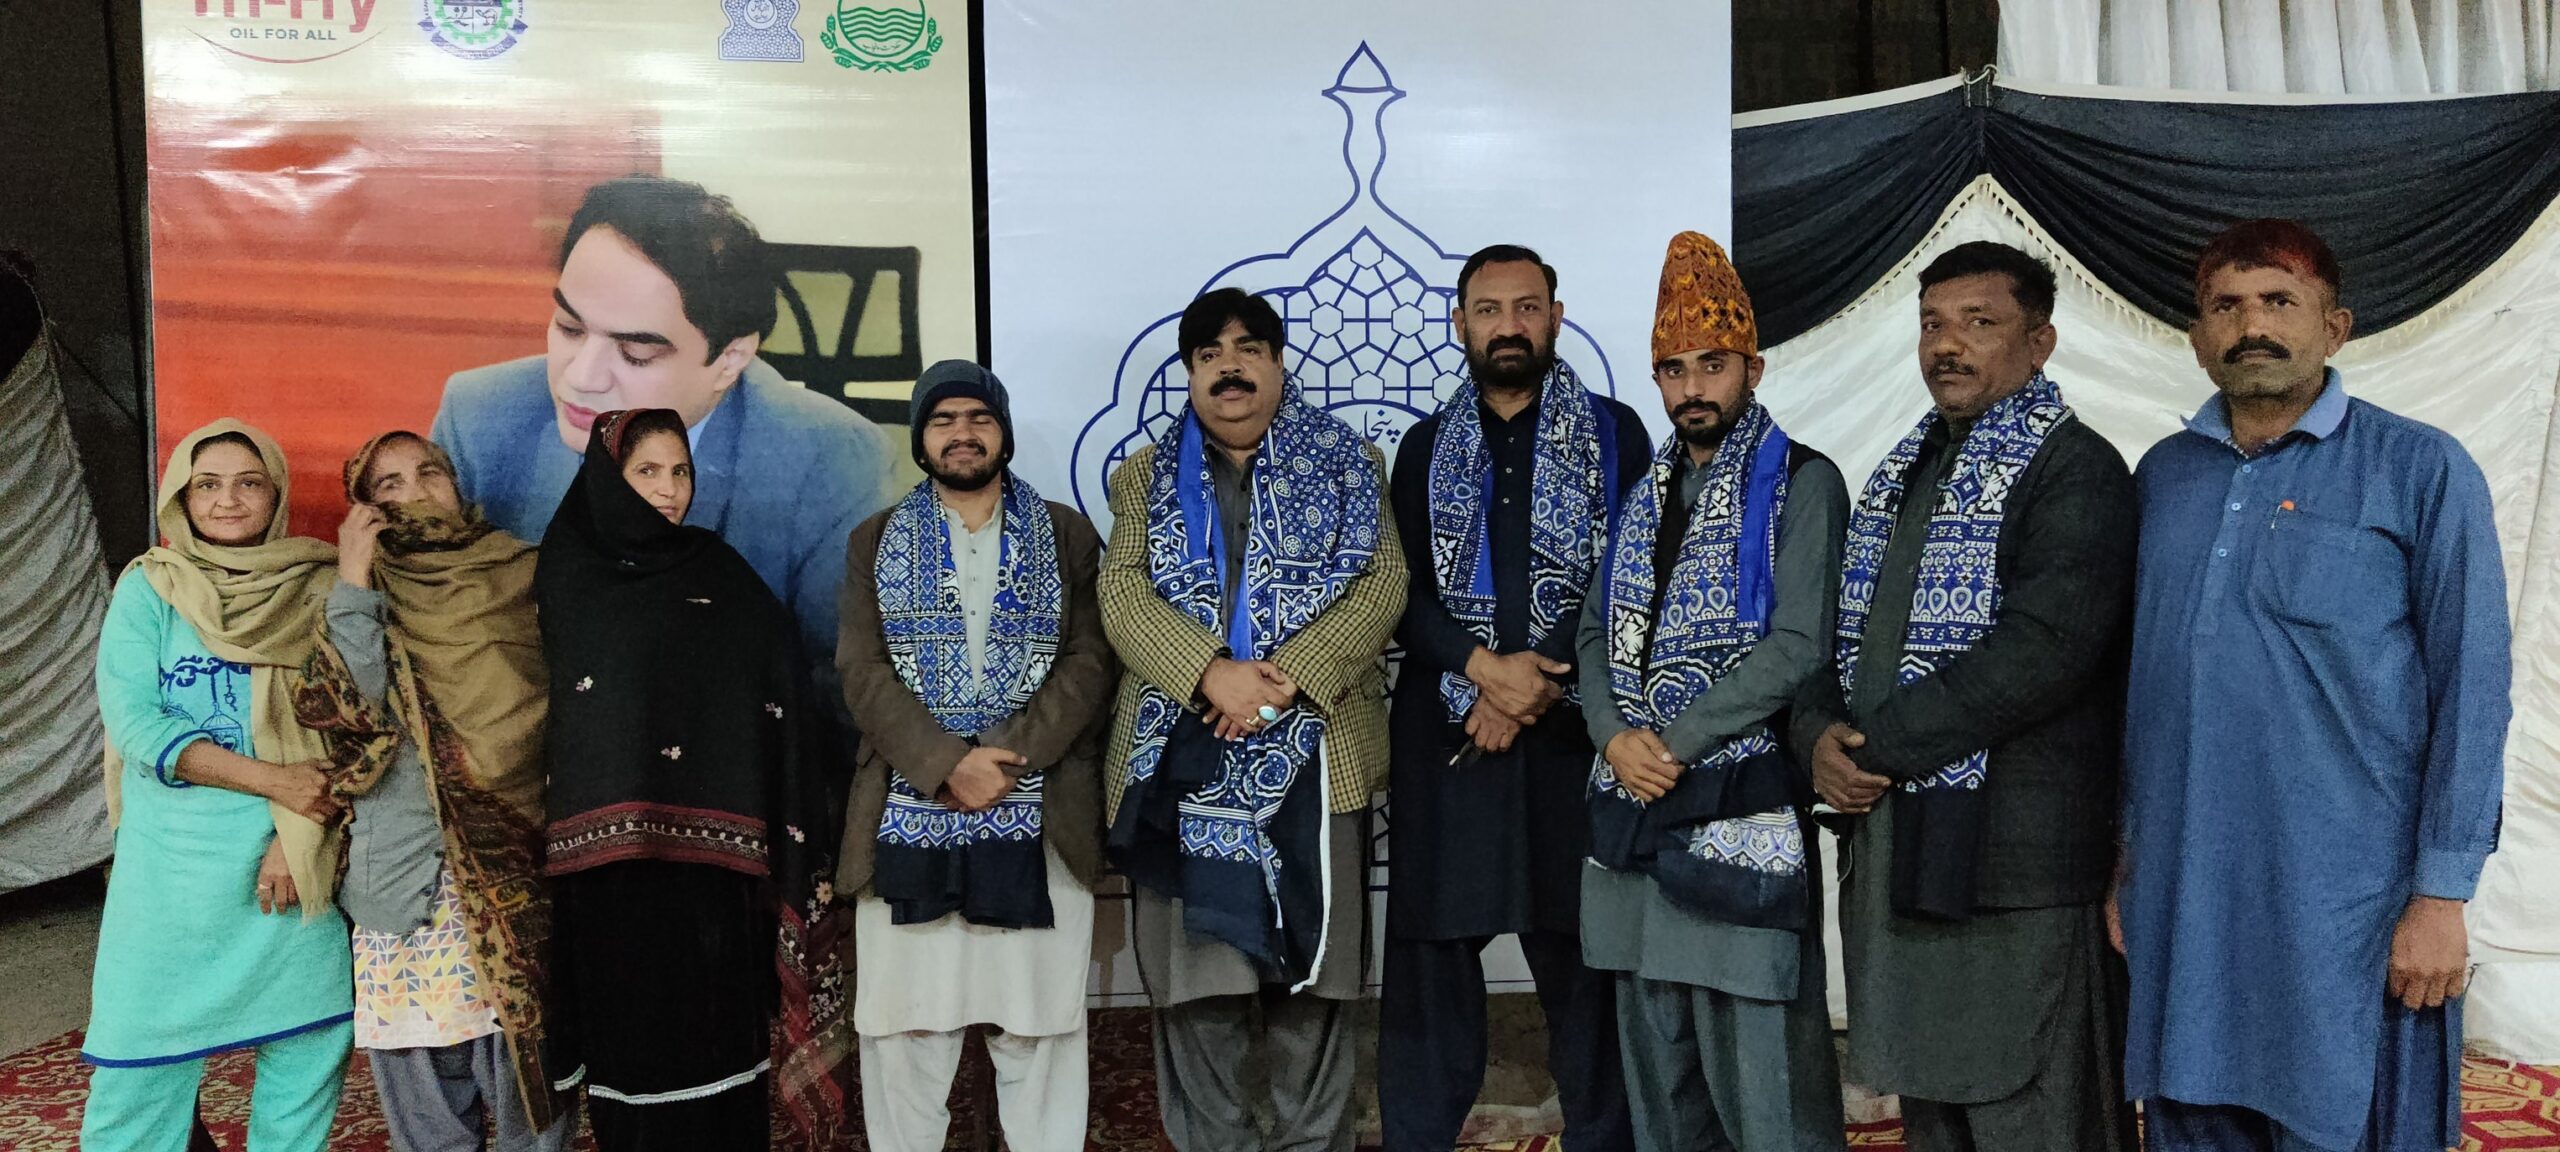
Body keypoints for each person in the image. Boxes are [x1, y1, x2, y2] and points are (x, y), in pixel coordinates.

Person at [2119, 219, 2509, 1152]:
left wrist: (2441, 897)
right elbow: (2137, 688)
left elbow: (2474, 688)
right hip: (2187, 891)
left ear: (2335, 328)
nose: (2252, 326)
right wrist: (2126, 858)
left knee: (2354, 1119)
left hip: (2354, 906)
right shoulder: (2162, 478)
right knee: (2191, 1110)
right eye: (2226, 306)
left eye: (2279, 302)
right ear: (2197, 338)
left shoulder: (2419, 468)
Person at [1790, 241, 2138, 1152]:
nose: (1948, 345)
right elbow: (1839, 639)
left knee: (2033, 1116)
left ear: (2040, 342)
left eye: (1979, 323)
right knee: (1935, 1110)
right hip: (1905, 851)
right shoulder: (1904, 470)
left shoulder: (2075, 470)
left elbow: (2043, 652)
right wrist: (1817, 734)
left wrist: (1870, 751)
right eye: (1933, 325)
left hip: (2013, 869)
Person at [431, 175, 899, 756]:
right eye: (569, 328)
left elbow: (853, 706)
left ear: (729, 359)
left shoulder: (829, 459)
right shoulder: (480, 416)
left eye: (636, 354)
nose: (581, 376)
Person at [1100, 288, 1406, 1152]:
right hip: (1183, 758)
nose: (1228, 368)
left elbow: (1383, 583)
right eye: (1208, 355)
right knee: (1200, 995)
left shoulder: (1351, 463)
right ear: (1190, 373)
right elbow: (1121, 593)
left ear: (1277, 363)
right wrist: (1210, 674)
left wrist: (1287, 682)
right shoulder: (1145, 476)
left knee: (1315, 994)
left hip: (1319, 756)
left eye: (1247, 349)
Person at [1578, 232, 1850, 1152]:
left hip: (1740, 823)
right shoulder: (1642, 494)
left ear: (1753, 369)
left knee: (1770, 1102)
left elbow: (1800, 644)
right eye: (1674, 369)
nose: (1692, 387)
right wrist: (1613, 735)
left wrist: (1671, 743)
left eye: (1712, 365)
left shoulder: (1803, 482)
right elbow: (1593, 631)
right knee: (1665, 1100)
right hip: (1635, 827)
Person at [1378, 243, 1645, 1152]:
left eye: (1527, 308)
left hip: (1572, 738)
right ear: (1460, 323)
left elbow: (1629, 571)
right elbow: (1398, 590)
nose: (1508, 327)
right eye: (1488, 310)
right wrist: (1483, 670)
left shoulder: (1615, 435)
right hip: (1449, 741)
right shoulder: (1424, 448)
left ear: (1556, 318)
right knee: (1431, 967)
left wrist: (1537, 676)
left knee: (1585, 962)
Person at [535, 408, 850, 1151]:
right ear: (609, 476)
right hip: (615, 878)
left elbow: (782, 688)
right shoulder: (568, 573)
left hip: (719, 876)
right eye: (647, 471)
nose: (670, 489)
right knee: (636, 1063)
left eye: (681, 471)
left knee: (723, 1054)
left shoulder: (721, 572)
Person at [835, 361, 1116, 1152]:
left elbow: (1090, 661)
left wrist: (1002, 757)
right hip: (907, 809)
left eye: (979, 418)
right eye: (943, 420)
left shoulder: (1066, 533)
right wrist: (944, 763)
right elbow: (861, 670)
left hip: (1039, 812)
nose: (963, 433)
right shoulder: (874, 540)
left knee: (1038, 1029)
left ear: (1004, 432)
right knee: (907, 1035)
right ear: (922, 440)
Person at [290, 431, 570, 1151]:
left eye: (429, 472)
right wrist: (355, 579)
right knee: (426, 1098)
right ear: (364, 505)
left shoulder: (519, 571)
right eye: (388, 484)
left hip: (517, 861)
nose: (415, 492)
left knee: (530, 1080)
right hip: (405, 871)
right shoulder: (353, 590)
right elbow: (349, 714)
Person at [82, 420, 353, 1152]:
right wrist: (275, 782)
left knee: (308, 1048)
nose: (228, 500)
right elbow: (137, 727)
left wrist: (296, 835)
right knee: (137, 1072)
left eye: (248, 483)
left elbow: (350, 729)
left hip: (285, 859)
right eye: (207, 485)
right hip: (169, 874)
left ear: (276, 493)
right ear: (181, 497)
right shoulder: (151, 588)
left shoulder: (320, 587)